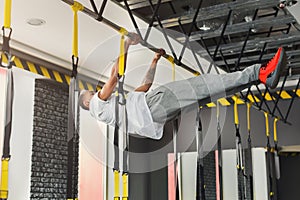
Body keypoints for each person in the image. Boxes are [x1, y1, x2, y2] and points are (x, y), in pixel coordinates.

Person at [79, 33, 287, 140]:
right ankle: (258, 72)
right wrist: (125, 44)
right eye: (90, 93)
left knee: (208, 93)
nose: (95, 91)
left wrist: (154, 61)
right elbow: (115, 75)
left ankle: (259, 78)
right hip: (154, 107)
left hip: (156, 115)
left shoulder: (118, 110)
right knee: (202, 85)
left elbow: (145, 86)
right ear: (87, 102)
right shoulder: (97, 105)